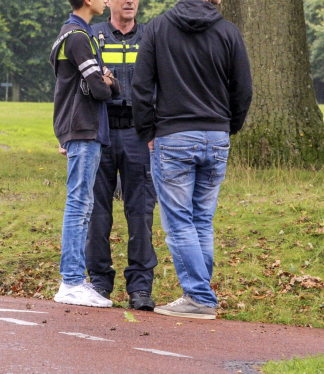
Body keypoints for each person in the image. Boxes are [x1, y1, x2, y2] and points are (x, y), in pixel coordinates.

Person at [132, 0, 252, 319]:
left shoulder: (158, 28)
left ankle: (199, 296)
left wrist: (147, 131)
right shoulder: (228, 32)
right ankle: (199, 294)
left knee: (179, 221)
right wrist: (228, 126)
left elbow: (141, 85)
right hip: (216, 135)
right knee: (202, 219)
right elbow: (243, 89)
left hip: (173, 135)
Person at [87, 0, 157, 312]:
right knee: (97, 213)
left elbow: (163, 84)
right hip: (100, 132)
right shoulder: (92, 36)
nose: (129, 1)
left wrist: (157, 131)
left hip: (139, 135)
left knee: (141, 213)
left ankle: (140, 287)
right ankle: (99, 283)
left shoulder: (151, 36)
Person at [50, 0, 121, 308]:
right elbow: (101, 89)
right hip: (84, 127)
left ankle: (75, 280)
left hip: (81, 127)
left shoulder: (75, 34)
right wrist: (108, 80)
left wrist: (107, 82)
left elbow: (101, 85)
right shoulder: (78, 37)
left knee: (82, 203)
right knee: (79, 204)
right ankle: (71, 281)